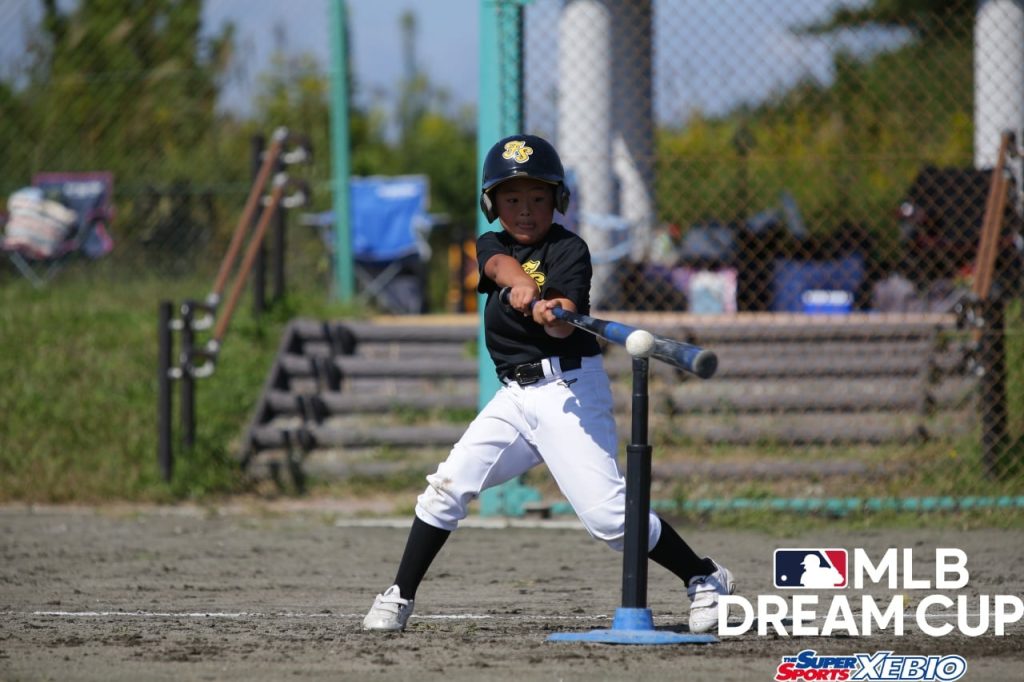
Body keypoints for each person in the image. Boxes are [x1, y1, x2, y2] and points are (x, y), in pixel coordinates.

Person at [362, 133, 736, 633]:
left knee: (609, 520)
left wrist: (553, 313)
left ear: (557, 200)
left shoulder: (569, 249)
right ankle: (399, 595)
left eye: (537, 198)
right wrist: (521, 285)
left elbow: (563, 324)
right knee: (445, 488)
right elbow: (497, 265)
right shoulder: (494, 244)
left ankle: (704, 575)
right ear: (493, 205)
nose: (524, 210)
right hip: (514, 398)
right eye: (512, 199)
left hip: (569, 391)